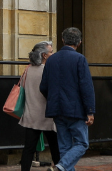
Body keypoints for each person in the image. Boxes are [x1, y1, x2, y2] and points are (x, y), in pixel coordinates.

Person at [39, 27, 94, 171]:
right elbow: (86, 87)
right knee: (82, 144)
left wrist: (52, 99)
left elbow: (43, 86)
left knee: (64, 146)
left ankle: (60, 167)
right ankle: (61, 166)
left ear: (63, 40)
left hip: (57, 109)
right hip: (76, 110)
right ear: (79, 42)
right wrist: (90, 111)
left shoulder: (51, 60)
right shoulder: (80, 59)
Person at [19, 41, 60, 171]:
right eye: (51, 51)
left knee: (28, 149)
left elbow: (22, 87)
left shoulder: (27, 70)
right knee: (55, 147)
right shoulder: (49, 71)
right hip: (47, 115)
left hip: (31, 114)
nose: (53, 53)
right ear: (44, 55)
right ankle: (59, 168)